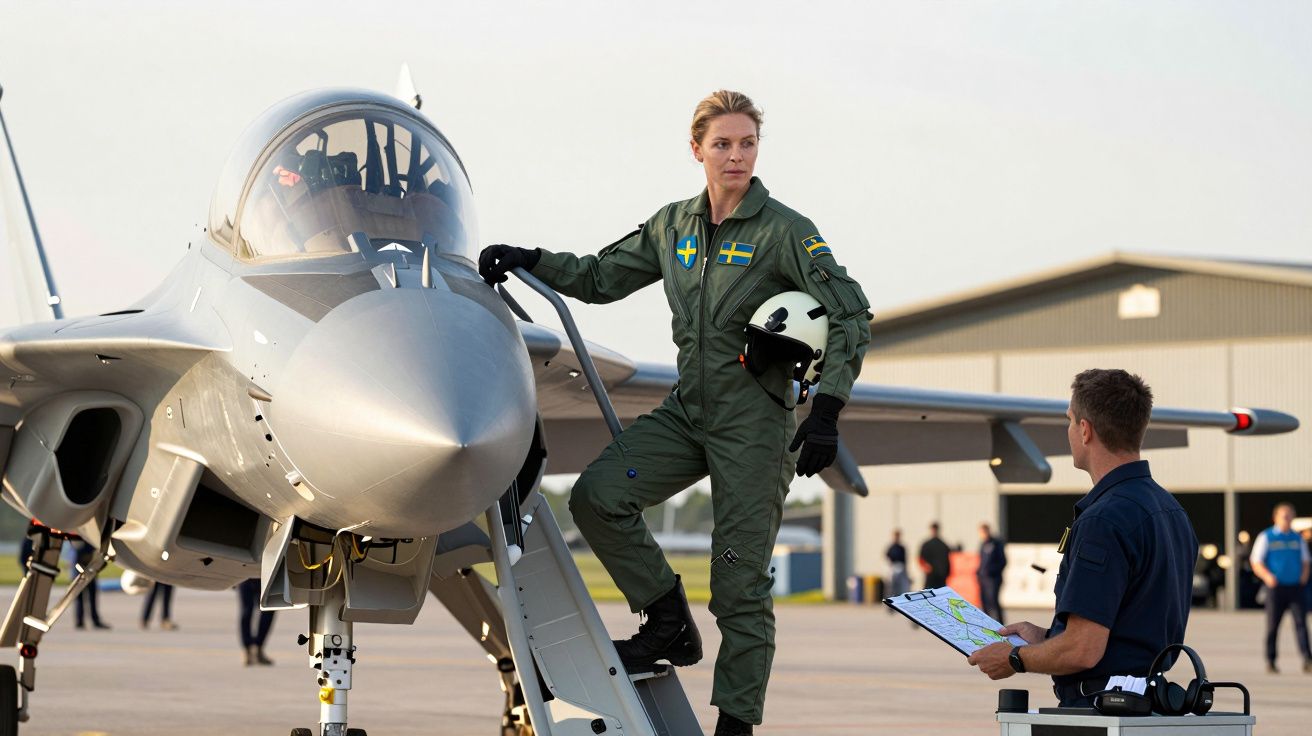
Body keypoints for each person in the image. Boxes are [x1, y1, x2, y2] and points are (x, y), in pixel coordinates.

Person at [479, 90, 871, 735]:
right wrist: (531, 260)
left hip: (755, 425)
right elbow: (601, 278)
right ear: (697, 150)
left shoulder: (786, 231)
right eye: (723, 144)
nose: (736, 155)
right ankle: (667, 621)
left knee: (738, 586)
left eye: (747, 143)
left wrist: (827, 411)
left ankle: (736, 724)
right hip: (689, 413)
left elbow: (851, 312)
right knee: (597, 496)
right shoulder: (673, 226)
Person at [966, 369, 1199, 707]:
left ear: (1085, 430)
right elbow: (1128, 633)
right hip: (1147, 705)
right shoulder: (1171, 510)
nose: (1069, 431)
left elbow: (1084, 650)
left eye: (1070, 421)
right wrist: (1047, 638)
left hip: (1099, 711)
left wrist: (1015, 657)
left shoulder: (1104, 520)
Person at [1249, 503, 1311, 673]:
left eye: (1290, 515)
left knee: (1301, 624)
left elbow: (1306, 560)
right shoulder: (1266, 536)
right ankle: (1271, 660)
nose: (1287, 519)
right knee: (1272, 626)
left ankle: (1307, 659)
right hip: (1276, 588)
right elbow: (1256, 561)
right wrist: (1268, 577)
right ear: (1275, 517)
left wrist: (1303, 577)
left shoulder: (1297, 538)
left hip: (1296, 588)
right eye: (1284, 515)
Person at [72, 541, 110, 630]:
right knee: (81, 597)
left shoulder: (87, 540)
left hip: (89, 569)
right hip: (81, 570)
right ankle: (80, 621)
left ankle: (90, 620)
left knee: (91, 596)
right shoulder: (80, 541)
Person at [237, 578, 275, 666]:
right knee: (246, 612)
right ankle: (248, 650)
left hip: (265, 575)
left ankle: (258, 648)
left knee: (268, 610)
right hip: (246, 574)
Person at [977, 523, 1007, 622]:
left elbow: (1003, 561)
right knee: (984, 603)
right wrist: (978, 572)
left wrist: (990, 571)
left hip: (993, 579)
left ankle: (1000, 624)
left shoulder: (996, 544)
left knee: (993, 602)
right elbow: (982, 561)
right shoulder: (983, 544)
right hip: (983, 579)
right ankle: (987, 623)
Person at [918, 522, 951, 590]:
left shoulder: (943, 545)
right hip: (931, 576)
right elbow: (920, 558)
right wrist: (925, 566)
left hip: (941, 576)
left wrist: (948, 572)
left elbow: (948, 559)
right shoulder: (927, 544)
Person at [886, 529, 910, 605]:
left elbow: (905, 559)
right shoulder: (891, 547)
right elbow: (887, 556)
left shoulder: (901, 547)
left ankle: (901, 602)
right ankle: (890, 602)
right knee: (892, 586)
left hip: (901, 567)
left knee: (902, 586)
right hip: (893, 567)